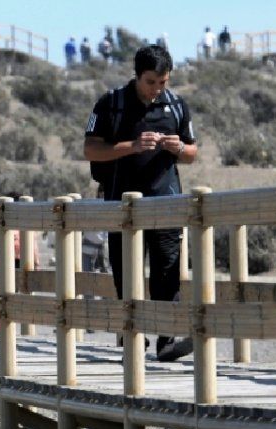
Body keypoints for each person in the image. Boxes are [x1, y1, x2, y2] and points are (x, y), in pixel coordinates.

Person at [84, 44, 197, 363]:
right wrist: (132, 146)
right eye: (151, 82)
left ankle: (166, 340)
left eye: (163, 82)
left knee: (167, 271)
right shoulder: (112, 104)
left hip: (167, 204)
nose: (157, 89)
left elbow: (192, 153)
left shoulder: (176, 105)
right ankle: (132, 337)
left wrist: (178, 149)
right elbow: (91, 150)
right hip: (122, 208)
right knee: (126, 273)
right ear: (137, 76)